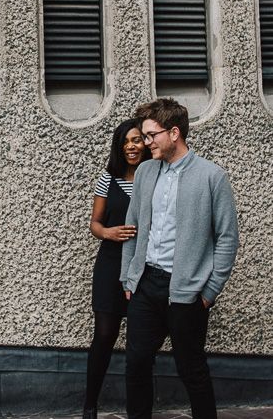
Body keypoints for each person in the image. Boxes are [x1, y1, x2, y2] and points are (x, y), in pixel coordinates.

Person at [121, 98, 239, 419]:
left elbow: (227, 238)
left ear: (174, 133)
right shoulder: (145, 172)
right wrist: (128, 277)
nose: (146, 143)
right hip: (146, 285)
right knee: (136, 364)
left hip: (187, 292)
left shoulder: (212, 177)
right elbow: (133, 226)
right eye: (143, 136)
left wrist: (209, 291)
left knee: (192, 370)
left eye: (150, 136)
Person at [83, 119, 150, 419]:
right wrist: (107, 233)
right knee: (105, 335)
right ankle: (90, 403)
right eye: (125, 141)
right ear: (119, 146)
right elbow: (95, 223)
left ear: (145, 144)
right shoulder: (107, 179)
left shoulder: (155, 177)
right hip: (110, 264)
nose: (131, 146)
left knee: (140, 340)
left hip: (144, 265)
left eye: (137, 140)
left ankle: (137, 408)